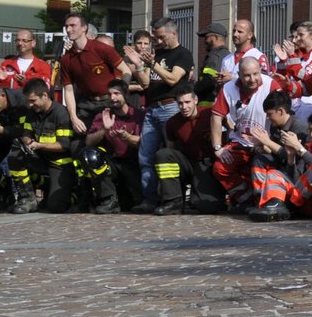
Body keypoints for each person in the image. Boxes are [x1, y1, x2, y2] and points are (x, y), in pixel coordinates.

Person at [128, 16, 193, 211]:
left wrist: (153, 64)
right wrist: (139, 65)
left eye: (161, 37)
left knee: (169, 155)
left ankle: (173, 199)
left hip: (171, 107)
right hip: (152, 108)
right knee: (145, 156)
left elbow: (173, 79)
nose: (158, 41)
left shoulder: (183, 54)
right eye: (156, 37)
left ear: (174, 33)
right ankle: (149, 199)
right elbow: (146, 83)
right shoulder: (156, 53)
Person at [211, 55, 275, 209]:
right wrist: (218, 147)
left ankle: (266, 201)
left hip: (266, 143)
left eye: (256, 74)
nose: (252, 79)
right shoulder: (228, 88)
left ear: (261, 71)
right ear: (238, 75)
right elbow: (216, 116)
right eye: (247, 75)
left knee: (262, 168)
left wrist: (269, 142)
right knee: (220, 167)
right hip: (240, 141)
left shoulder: (271, 85)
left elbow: (282, 114)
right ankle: (246, 199)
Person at [8, 79, 78, 214]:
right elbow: (26, 133)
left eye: (33, 100)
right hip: (41, 160)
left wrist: (39, 145)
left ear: (45, 96)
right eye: (28, 101)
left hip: (60, 164)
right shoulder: (31, 113)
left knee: (56, 207)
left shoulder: (61, 113)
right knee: (15, 155)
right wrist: (27, 141)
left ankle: (73, 192)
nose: (30, 104)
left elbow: (64, 145)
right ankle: (27, 199)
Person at [153, 86, 224, 215]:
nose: (184, 107)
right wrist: (163, 183)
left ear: (195, 100)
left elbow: (230, 127)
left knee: (207, 207)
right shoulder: (172, 122)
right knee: (163, 154)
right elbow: (170, 150)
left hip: (208, 164)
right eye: (180, 103)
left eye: (187, 102)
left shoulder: (210, 114)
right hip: (187, 162)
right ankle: (173, 201)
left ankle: (201, 197)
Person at [58, 13, 126, 135]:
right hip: (87, 105)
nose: (68, 30)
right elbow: (68, 90)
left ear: (84, 28)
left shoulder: (102, 49)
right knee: (77, 144)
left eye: (73, 25)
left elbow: (126, 71)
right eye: (66, 26)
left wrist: (120, 95)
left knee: (113, 140)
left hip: (109, 102)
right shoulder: (66, 59)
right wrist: (74, 118)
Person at [83, 78, 145, 211]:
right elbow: (88, 142)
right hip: (113, 163)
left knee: (133, 204)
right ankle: (109, 200)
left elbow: (143, 143)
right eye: (110, 94)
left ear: (125, 95)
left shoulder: (138, 115)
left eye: (116, 94)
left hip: (134, 164)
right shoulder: (103, 115)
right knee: (91, 155)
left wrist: (127, 137)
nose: (112, 98)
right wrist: (104, 129)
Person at [194, 22, 231, 109]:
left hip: (208, 105)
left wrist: (193, 89)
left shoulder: (215, 57)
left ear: (215, 37)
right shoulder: (228, 55)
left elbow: (209, 81)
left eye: (206, 37)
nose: (205, 41)